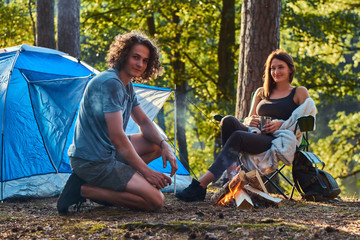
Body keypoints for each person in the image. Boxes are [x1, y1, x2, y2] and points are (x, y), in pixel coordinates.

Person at [57, 31, 177, 214]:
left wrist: (164, 144)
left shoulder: (125, 84)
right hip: (93, 161)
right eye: (135, 57)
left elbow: (144, 121)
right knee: (155, 201)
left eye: (145, 60)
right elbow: (118, 137)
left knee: (155, 146)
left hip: (108, 152)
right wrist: (147, 172)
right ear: (123, 55)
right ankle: (83, 189)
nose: (140, 64)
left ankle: (111, 183)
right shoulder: (111, 83)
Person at [175, 49, 316, 202]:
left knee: (238, 136)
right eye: (272, 68)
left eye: (280, 67)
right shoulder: (262, 93)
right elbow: (249, 118)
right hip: (255, 133)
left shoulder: (299, 92)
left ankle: (201, 185)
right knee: (228, 120)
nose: (276, 71)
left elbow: (308, 118)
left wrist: (282, 124)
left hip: (275, 140)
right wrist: (248, 121)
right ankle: (231, 178)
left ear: (290, 69)